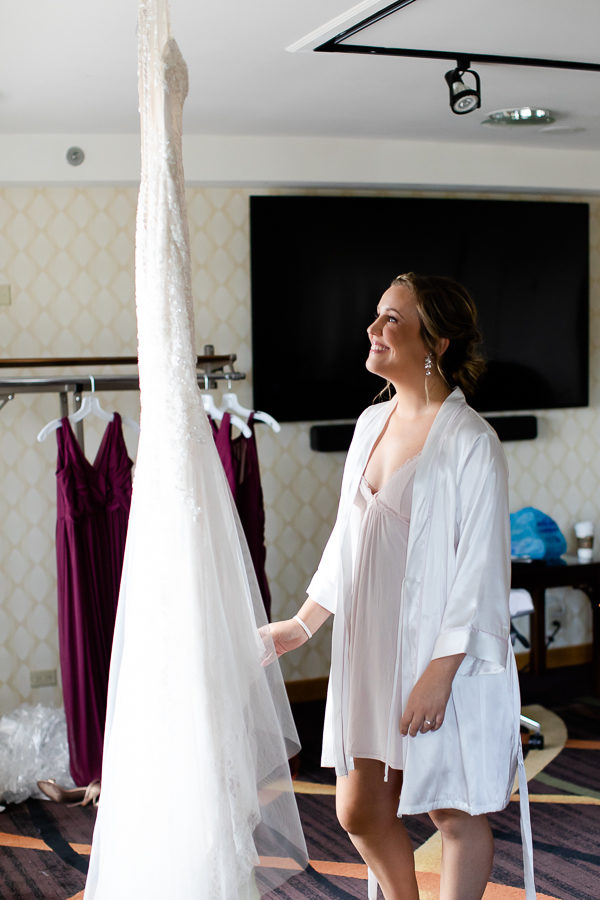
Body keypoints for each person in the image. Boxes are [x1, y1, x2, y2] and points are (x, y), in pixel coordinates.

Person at [265, 273, 534, 900]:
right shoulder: (369, 422)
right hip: (369, 649)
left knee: (454, 810)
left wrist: (440, 671)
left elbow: (482, 573)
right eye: (376, 316)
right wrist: (301, 624)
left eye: (391, 319)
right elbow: (348, 540)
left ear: (434, 342)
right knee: (359, 811)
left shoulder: (473, 443)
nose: (372, 329)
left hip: (440, 658)